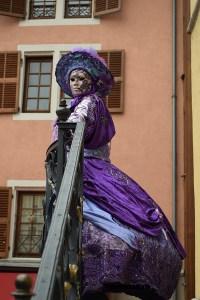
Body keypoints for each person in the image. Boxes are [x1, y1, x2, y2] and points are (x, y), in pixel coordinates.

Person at [53, 48, 186, 300]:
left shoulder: (89, 103)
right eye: (73, 79)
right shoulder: (80, 104)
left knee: (112, 213)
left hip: (91, 169)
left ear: (91, 82)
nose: (77, 83)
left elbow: (76, 125)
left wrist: (67, 129)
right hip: (93, 168)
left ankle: (115, 264)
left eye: (82, 78)